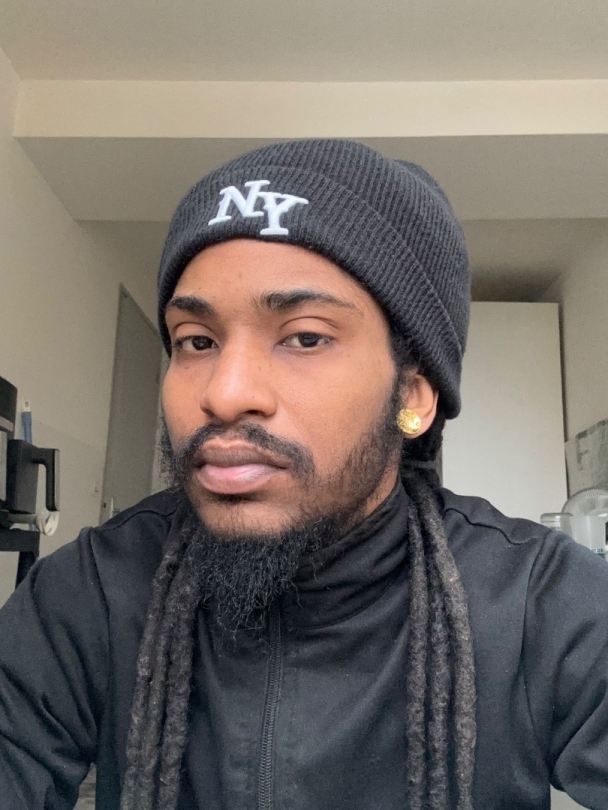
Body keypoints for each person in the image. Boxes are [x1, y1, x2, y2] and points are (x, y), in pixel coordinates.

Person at [1, 139, 607, 810]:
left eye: (305, 337)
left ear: (412, 395)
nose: (225, 393)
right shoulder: (89, 591)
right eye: (196, 341)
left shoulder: (545, 603)